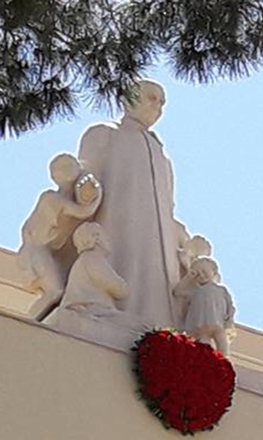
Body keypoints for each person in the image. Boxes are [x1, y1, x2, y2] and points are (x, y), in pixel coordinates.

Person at [78, 80, 185, 330]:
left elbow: (169, 206)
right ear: (129, 99)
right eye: (151, 98)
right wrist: (84, 190)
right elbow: (84, 174)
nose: (157, 106)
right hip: (116, 222)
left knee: (155, 284)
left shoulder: (162, 156)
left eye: (162, 102)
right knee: (123, 270)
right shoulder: (104, 133)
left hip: (158, 242)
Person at [16, 153, 102, 319]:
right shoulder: (51, 199)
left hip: (48, 252)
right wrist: (98, 195)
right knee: (56, 291)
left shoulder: (73, 197)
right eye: (60, 168)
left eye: (70, 165)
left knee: (63, 291)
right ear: (54, 176)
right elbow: (84, 211)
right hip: (36, 252)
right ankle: (31, 321)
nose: (67, 170)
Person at [60, 222, 129, 317]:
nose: (108, 240)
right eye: (105, 236)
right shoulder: (92, 259)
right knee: (146, 327)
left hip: (90, 311)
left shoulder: (84, 260)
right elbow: (120, 290)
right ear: (97, 238)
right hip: (94, 312)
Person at [173, 257, 236, 356]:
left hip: (218, 322)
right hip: (201, 324)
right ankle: (206, 360)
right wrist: (188, 277)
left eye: (205, 271)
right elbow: (177, 292)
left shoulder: (221, 290)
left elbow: (230, 305)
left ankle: (224, 360)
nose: (202, 275)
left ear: (214, 272)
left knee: (222, 341)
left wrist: (230, 318)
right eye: (198, 273)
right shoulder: (194, 291)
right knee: (203, 343)